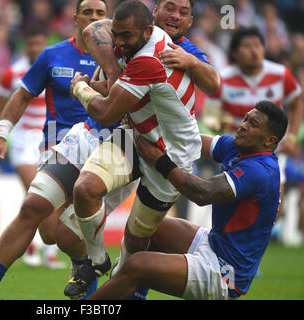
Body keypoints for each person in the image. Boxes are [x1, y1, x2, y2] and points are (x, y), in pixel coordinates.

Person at [0, 0, 109, 300]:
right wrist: (0, 135)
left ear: (108, 19)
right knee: (48, 230)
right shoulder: (52, 55)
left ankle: (89, 290)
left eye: (100, 13)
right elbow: (22, 95)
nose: (93, 17)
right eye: (87, 11)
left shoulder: (118, 58)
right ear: (75, 17)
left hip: (104, 151)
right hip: (57, 147)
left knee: (61, 230)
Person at [64, 0, 219, 298]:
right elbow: (97, 28)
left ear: (147, 30)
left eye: (125, 37)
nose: (119, 43)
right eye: (117, 35)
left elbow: (107, 112)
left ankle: (126, 294)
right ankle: (96, 261)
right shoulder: (151, 35)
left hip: (170, 158)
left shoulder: (151, 59)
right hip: (136, 138)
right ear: (156, 15)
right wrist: (111, 71)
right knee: (85, 190)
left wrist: (80, 87)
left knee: (135, 245)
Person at [87, 101, 288, 300]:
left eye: (253, 124)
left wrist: (159, 161)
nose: (243, 125)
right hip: (214, 243)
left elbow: (203, 193)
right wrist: (145, 126)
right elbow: (189, 141)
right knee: (147, 230)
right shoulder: (238, 147)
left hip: (226, 273)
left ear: (269, 141)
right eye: (246, 119)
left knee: (135, 266)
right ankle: (130, 293)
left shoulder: (260, 170)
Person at [203, 27, 302, 220]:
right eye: (247, 46)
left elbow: (297, 103)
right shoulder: (222, 78)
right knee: (230, 204)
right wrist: (218, 123)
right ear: (235, 53)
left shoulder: (281, 74)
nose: (254, 51)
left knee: (274, 209)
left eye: (257, 45)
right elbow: (209, 117)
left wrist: (291, 136)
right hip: (235, 148)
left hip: (271, 150)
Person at [0, 29, 65, 269]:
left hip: (48, 138)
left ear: (46, 45)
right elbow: (0, 107)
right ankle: (32, 249)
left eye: (39, 42)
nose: (35, 48)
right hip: (22, 139)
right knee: (36, 190)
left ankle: (48, 253)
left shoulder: (55, 68)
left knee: (49, 194)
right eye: (31, 43)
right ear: (25, 47)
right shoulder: (11, 74)